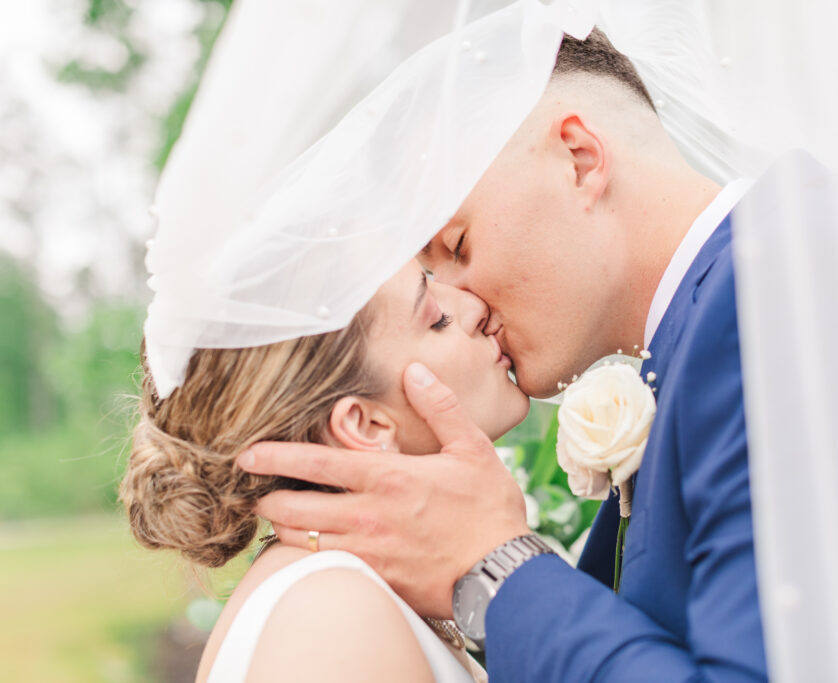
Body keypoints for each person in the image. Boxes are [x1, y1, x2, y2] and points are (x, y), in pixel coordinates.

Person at [239, 29, 774, 681]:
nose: (468, 305)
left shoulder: (759, 301)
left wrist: (498, 563)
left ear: (578, 158)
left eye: (458, 246)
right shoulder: (710, 327)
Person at [120, 261, 526, 682]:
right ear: (364, 425)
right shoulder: (333, 616)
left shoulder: (344, 592)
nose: (475, 306)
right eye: (436, 319)